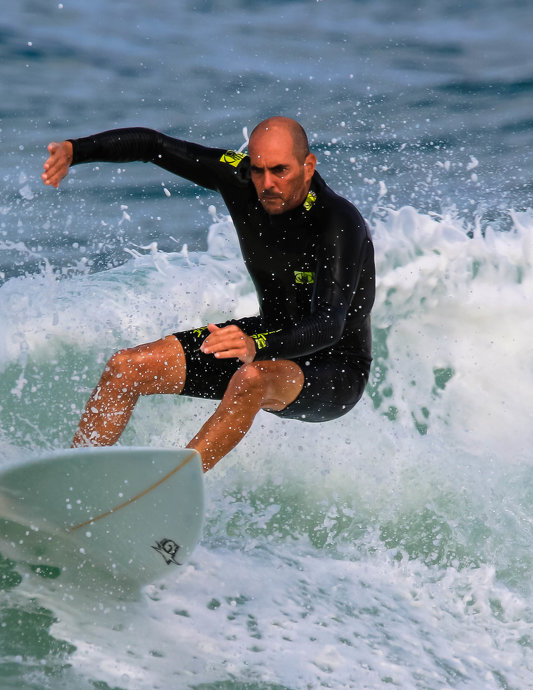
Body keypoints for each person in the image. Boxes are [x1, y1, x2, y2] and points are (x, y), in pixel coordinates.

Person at [41, 117, 375, 471]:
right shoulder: (240, 178)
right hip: (265, 339)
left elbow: (328, 324)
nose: (268, 183)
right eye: (258, 170)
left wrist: (256, 346)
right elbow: (153, 145)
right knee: (126, 368)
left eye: (281, 170)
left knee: (251, 377)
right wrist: (74, 151)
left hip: (334, 368)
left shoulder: (338, 222)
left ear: (308, 166)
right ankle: (72, 482)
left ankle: (165, 492)